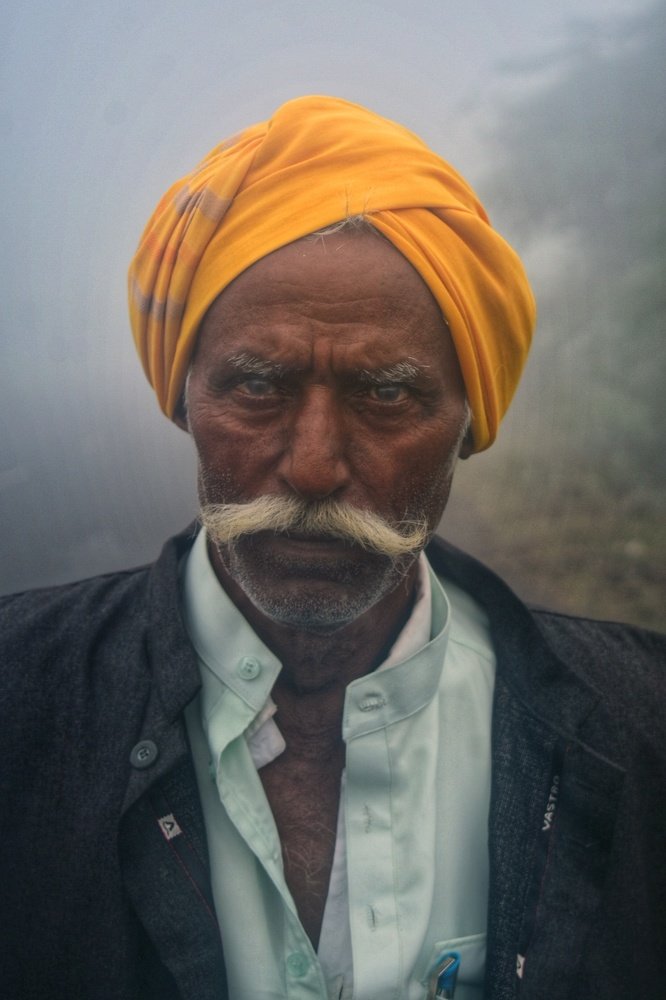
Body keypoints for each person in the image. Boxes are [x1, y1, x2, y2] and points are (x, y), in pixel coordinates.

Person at [0, 96, 663, 1000]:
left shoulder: (642, 723)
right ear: (183, 398)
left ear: (470, 424)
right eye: (257, 386)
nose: (311, 467)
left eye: (386, 396)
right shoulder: (17, 698)